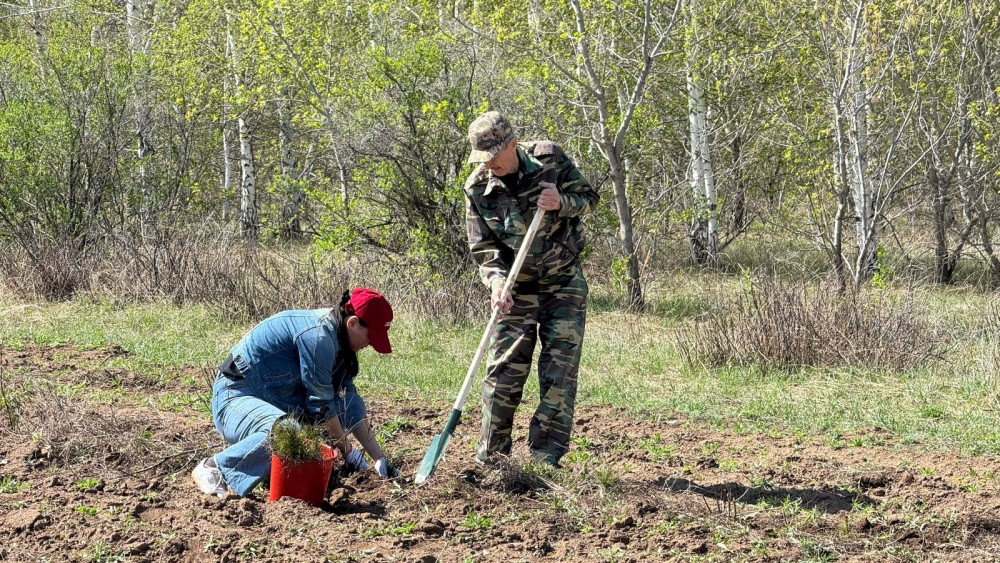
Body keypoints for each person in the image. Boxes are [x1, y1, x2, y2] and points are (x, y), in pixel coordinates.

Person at [463, 110, 599, 466]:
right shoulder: (477, 187)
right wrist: (495, 282)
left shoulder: (549, 159)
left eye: (494, 157)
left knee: (559, 373)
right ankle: (493, 458)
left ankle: (545, 457)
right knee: (502, 373)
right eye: (483, 159)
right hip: (515, 290)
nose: (489, 165)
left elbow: (589, 198)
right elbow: (484, 249)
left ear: (512, 144)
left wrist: (561, 202)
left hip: (562, 284)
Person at [192, 287, 399, 498]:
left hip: (275, 400)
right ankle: (216, 468)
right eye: (370, 337)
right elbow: (322, 407)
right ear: (352, 323)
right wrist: (349, 453)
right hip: (236, 397)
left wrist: (379, 458)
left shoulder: (340, 341)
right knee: (286, 432)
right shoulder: (319, 338)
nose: (370, 345)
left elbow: (349, 405)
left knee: (348, 402)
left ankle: (264, 464)